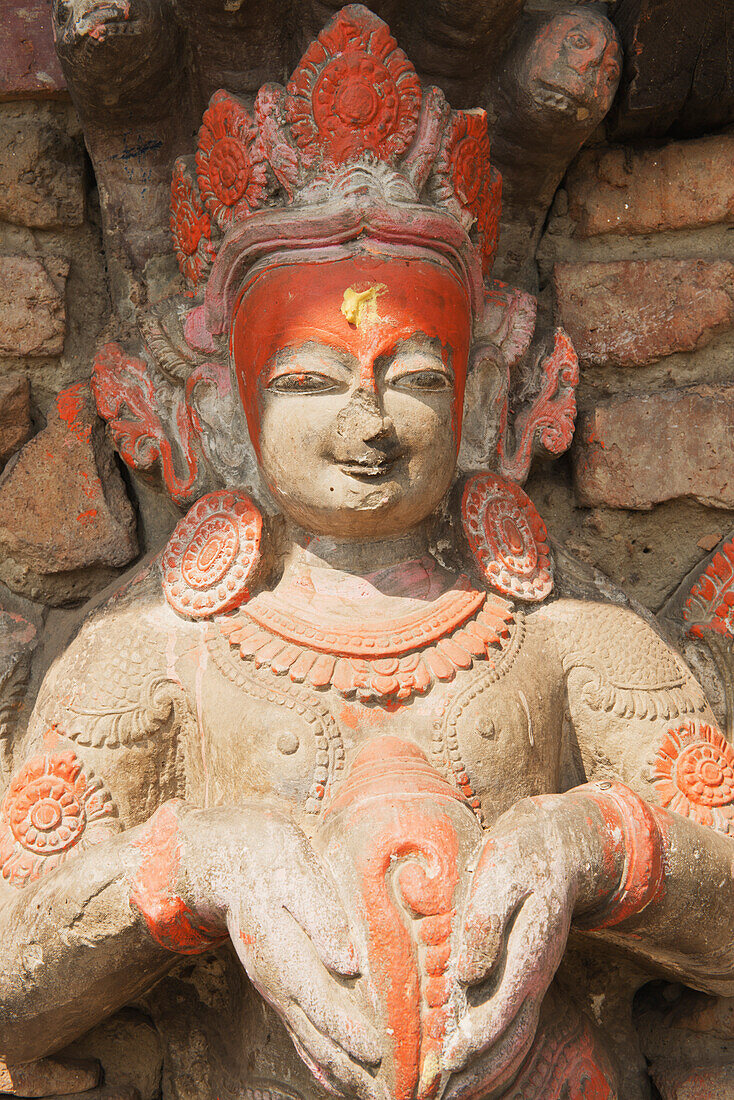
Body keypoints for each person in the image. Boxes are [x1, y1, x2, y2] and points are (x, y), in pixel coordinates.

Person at [2, 8, 733, 1100]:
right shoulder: (148, 659)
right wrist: (200, 860)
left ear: (487, 392)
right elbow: (17, 977)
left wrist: (591, 841)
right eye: (307, 381)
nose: (368, 426)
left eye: (415, 377)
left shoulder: (570, 638)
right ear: (220, 403)